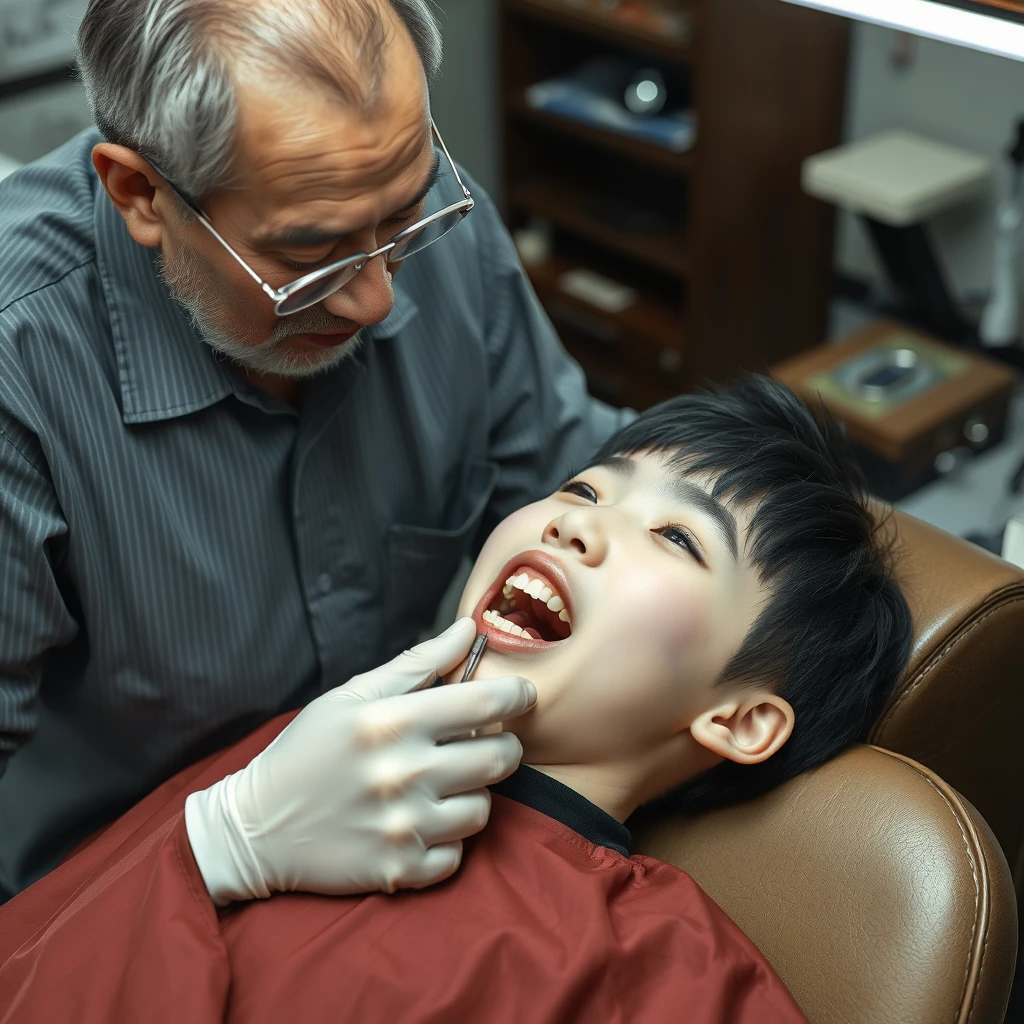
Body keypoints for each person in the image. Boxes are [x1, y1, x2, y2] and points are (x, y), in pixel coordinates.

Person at [0, 378, 913, 1023]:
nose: (575, 518)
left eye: (676, 536)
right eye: (586, 486)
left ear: (741, 717)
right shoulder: (299, 758)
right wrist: (217, 846)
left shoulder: (665, 972)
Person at [0, 0, 628, 902]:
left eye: (403, 217)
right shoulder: (19, 363)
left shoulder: (438, 236)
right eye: (313, 254)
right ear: (140, 194)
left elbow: (579, 484)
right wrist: (224, 844)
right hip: (117, 907)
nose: (376, 300)